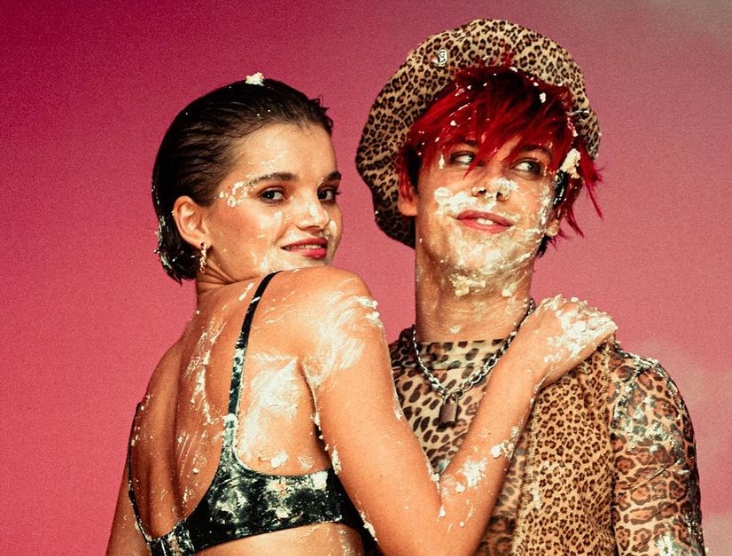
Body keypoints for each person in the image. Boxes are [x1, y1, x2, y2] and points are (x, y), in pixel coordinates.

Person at [106, 75, 616, 555]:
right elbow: (432, 546)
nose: (316, 218)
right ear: (193, 222)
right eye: (273, 195)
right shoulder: (320, 301)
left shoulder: (157, 399)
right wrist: (521, 368)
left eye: (326, 193)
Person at [356, 19, 705, 555]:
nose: (493, 184)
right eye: (464, 156)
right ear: (408, 187)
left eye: (527, 166)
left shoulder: (626, 392)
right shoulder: (355, 393)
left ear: (554, 210)